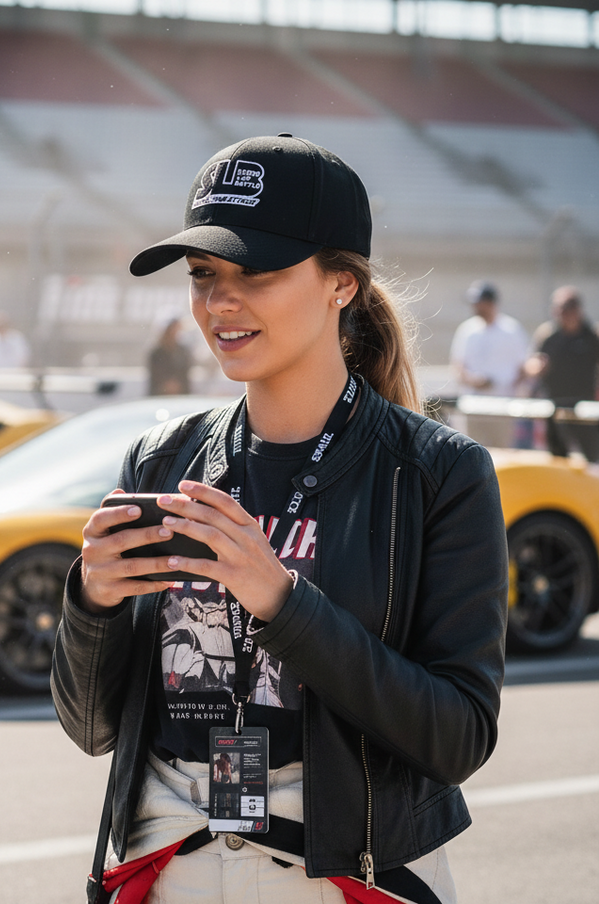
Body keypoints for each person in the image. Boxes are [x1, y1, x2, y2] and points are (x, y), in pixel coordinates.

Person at [51, 135, 508, 904]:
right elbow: (92, 729)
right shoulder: (162, 460)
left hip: (343, 872)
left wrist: (285, 604)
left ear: (340, 285)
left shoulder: (438, 473)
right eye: (203, 275)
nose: (220, 301)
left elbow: (458, 736)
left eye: (255, 271)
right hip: (165, 863)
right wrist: (89, 603)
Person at [449, 280, 531, 448]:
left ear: (490, 303)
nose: (476, 307)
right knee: (470, 453)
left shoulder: (512, 330)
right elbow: (458, 366)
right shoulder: (467, 330)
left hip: (503, 406)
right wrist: (474, 381)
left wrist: (513, 388)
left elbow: (523, 367)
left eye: (479, 303)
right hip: (472, 406)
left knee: (501, 454)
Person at [524, 285, 599, 461]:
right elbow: (531, 363)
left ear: (577, 309)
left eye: (567, 308)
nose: (563, 313)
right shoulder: (548, 334)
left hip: (585, 409)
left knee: (592, 458)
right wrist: (536, 367)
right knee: (558, 458)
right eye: (559, 308)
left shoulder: (591, 335)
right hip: (555, 407)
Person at [147, 318, 193, 396]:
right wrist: (167, 385)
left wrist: (178, 385)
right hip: (159, 396)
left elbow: (185, 373)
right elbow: (156, 374)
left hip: (181, 396)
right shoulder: (156, 353)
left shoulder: (183, 351)